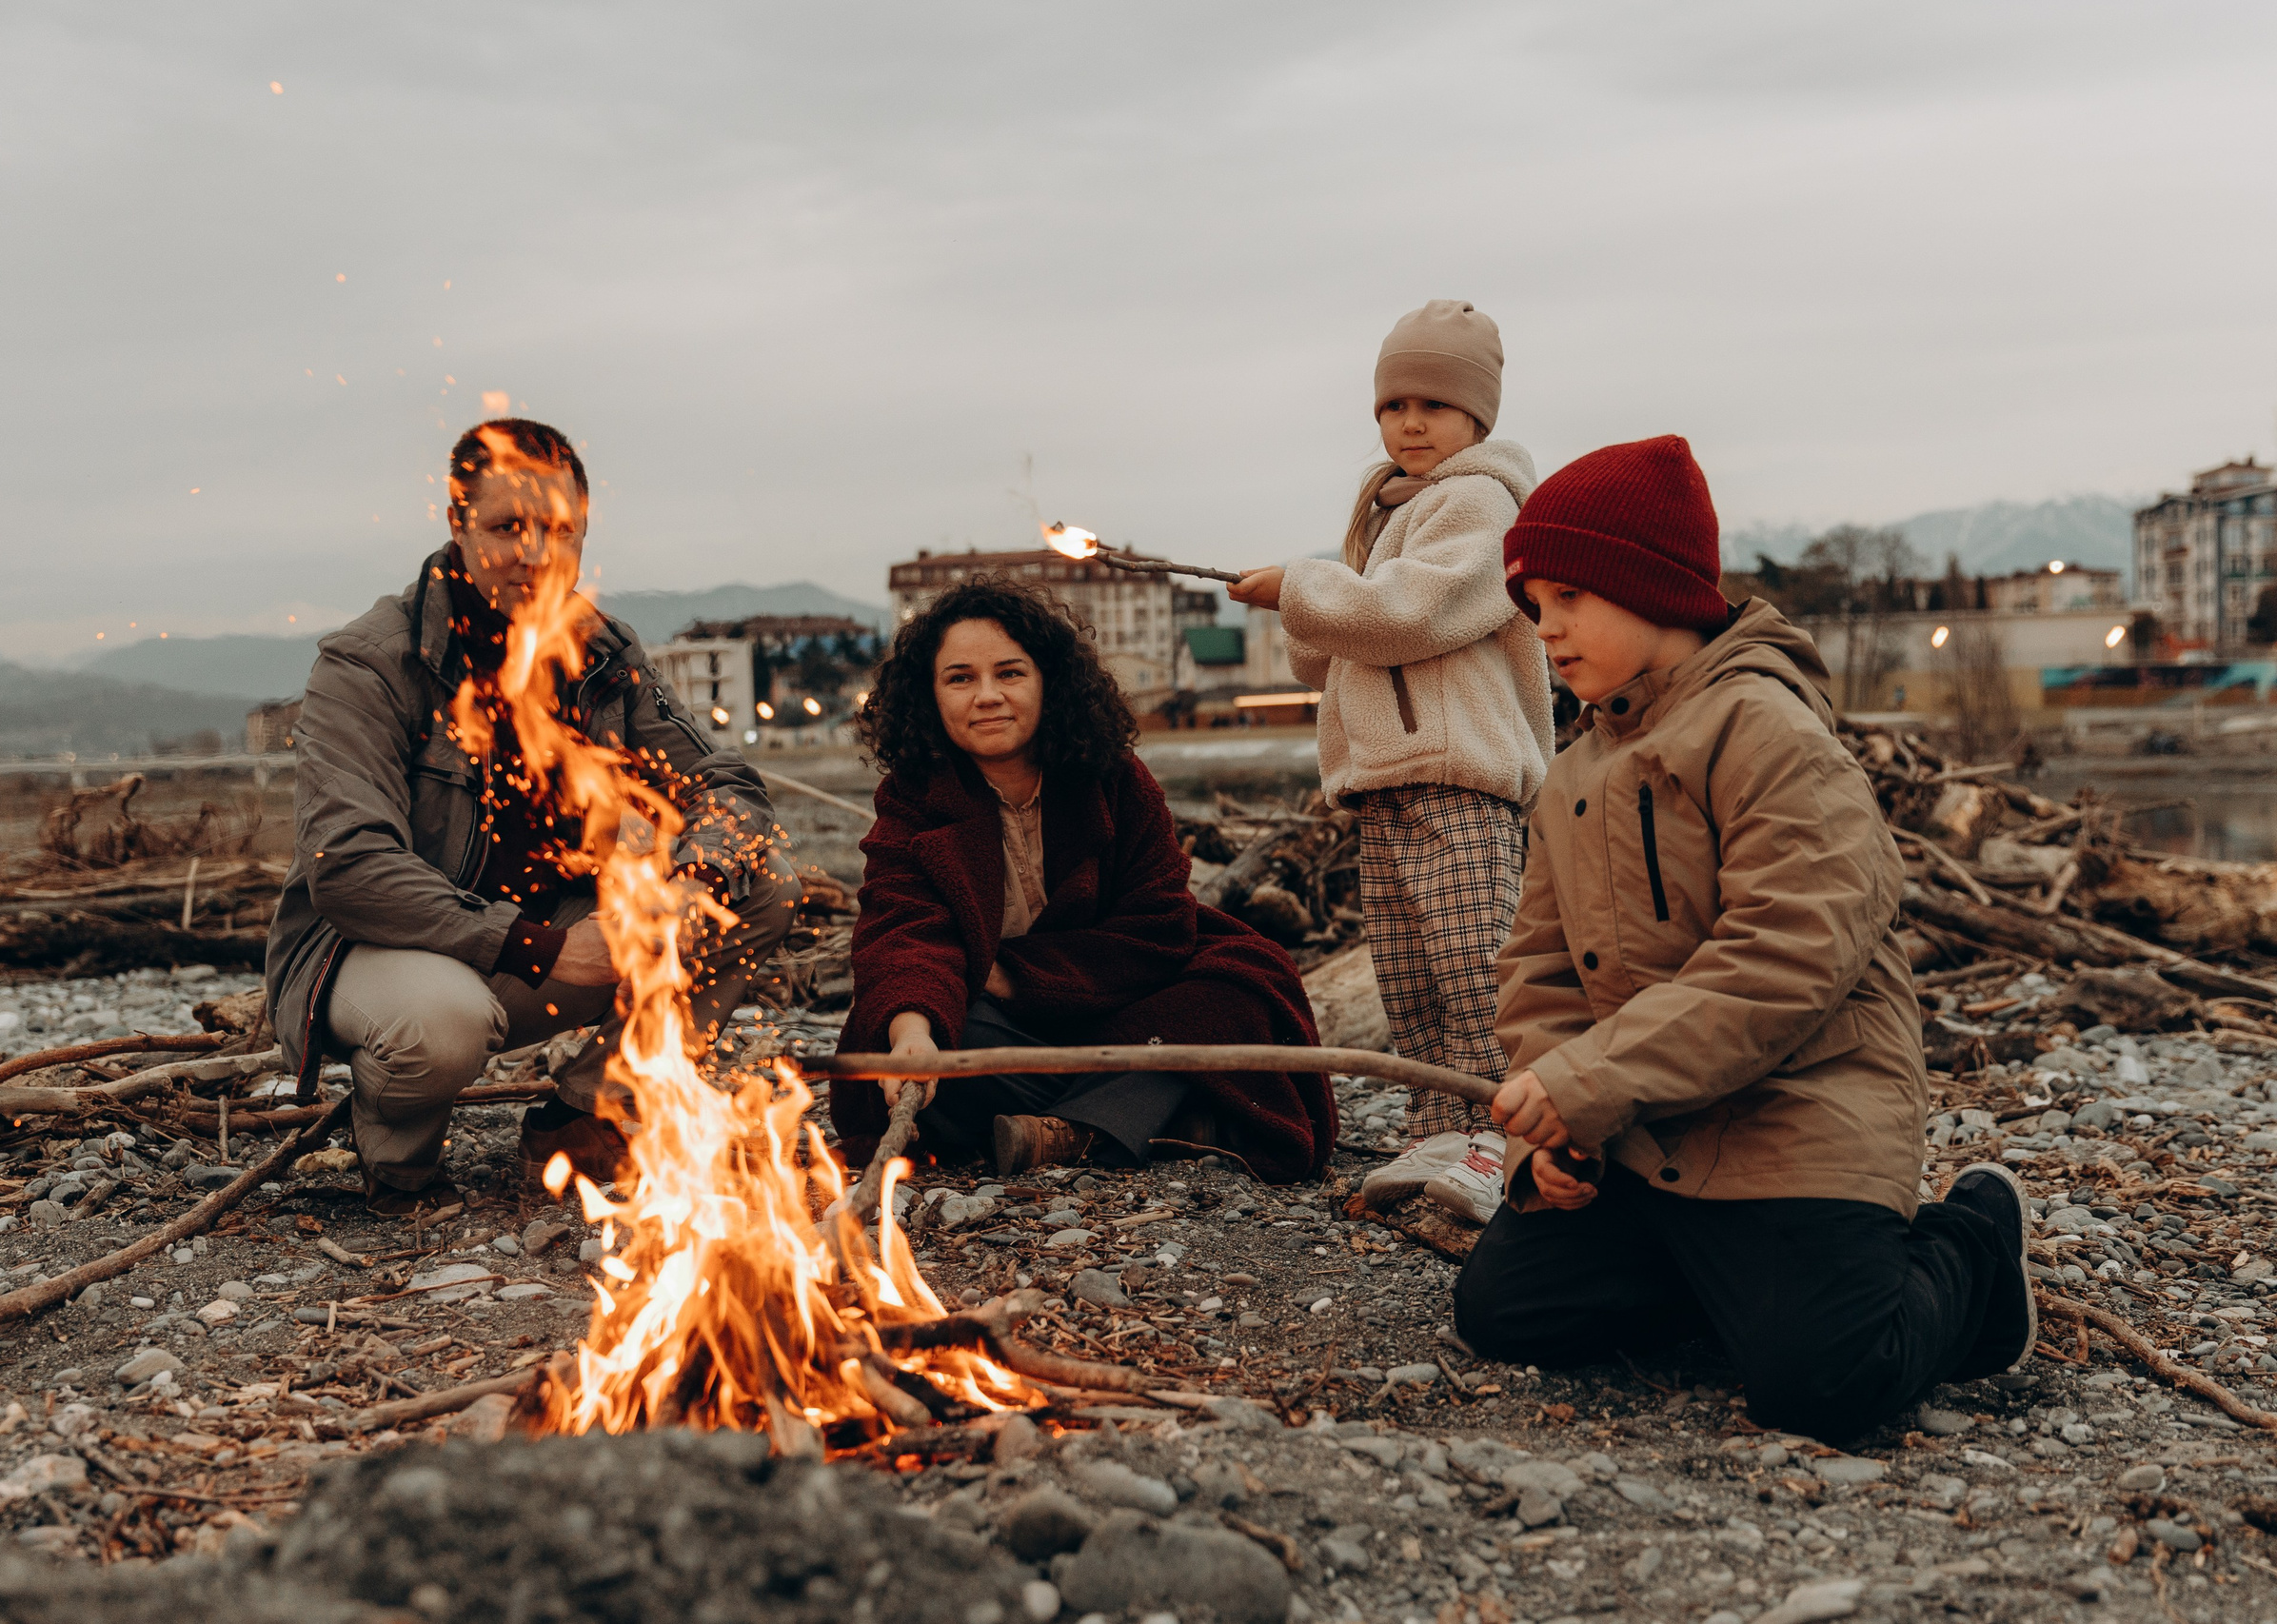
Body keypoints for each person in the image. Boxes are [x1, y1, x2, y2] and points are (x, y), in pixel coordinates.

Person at [1452, 435, 2034, 1442]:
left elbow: (1787, 952)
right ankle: (1737, 1290)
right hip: (1646, 1133)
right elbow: (1540, 971)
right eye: (1532, 605)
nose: (1545, 629)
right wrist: (1546, 1136)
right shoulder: (1573, 771)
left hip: (1796, 1119)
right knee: (1503, 1313)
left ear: (1652, 588)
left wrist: (1590, 1082)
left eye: (1567, 597)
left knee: (1826, 1385)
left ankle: (1974, 1242)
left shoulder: (1769, 734)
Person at [265, 418, 801, 1216]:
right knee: (440, 1022)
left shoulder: (604, 654)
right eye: (506, 527)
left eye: (558, 530)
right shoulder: (370, 662)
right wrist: (544, 945)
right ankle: (399, 1161)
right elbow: (350, 867)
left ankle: (588, 1116)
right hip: (382, 951)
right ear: (456, 523)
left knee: (759, 886)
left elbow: (723, 784)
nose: (534, 553)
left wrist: (693, 880)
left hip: (547, 943)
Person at [836, 578, 1335, 1181]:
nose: (988, 696)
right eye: (960, 678)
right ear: (930, 696)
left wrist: (1015, 974)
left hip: (1126, 1010)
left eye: (1010, 674)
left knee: (1239, 990)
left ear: (1049, 681)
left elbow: (1159, 927)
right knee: (909, 1036)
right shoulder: (912, 798)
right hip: (993, 1021)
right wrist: (914, 1037)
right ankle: (1165, 1118)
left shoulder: (1115, 780)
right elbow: (903, 928)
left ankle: (1076, 1131)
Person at [1229, 300, 1551, 1225]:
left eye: (1432, 405)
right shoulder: (1387, 506)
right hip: (1387, 775)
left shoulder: (1480, 503)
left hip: (1461, 775)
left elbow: (1409, 612)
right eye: (1391, 405)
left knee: (1477, 968)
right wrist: (1296, 604)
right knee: (1408, 972)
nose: (1408, 423)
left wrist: (1302, 586)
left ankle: (1502, 1137)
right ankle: (1436, 1126)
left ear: (1476, 418)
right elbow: (1341, 644)